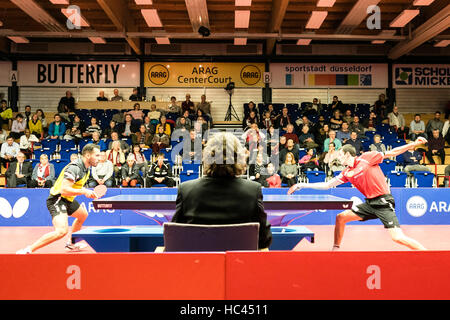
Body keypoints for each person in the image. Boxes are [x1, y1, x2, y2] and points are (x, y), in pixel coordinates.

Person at [288, 139, 428, 251]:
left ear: (347, 154)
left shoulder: (367, 157)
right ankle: (335, 249)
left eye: (340, 155)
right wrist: (301, 184)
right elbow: (327, 185)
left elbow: (392, 153)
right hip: (369, 203)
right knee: (341, 217)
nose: (339, 158)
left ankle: (427, 254)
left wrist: (414, 144)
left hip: (384, 202)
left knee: (397, 238)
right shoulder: (346, 172)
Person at [171, 132, 272, 249]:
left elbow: (175, 236)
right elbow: (264, 239)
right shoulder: (253, 191)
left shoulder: (186, 190)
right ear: (238, 158)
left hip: (199, 264)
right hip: (239, 264)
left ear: (207, 156)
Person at [16, 144, 101, 254]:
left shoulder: (86, 169)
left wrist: (86, 191)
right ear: (88, 155)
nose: (99, 158)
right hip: (57, 198)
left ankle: (71, 243)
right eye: (97, 155)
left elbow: (74, 186)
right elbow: (64, 189)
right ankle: (29, 249)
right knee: (61, 231)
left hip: (67, 199)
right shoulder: (75, 167)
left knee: (83, 215)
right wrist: (84, 191)